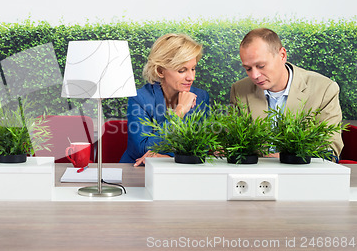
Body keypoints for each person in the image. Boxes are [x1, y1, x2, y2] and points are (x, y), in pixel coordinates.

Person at [230, 28, 343, 156]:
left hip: (303, 173)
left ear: (282, 55)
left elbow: (329, 150)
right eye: (248, 68)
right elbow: (235, 144)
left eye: (261, 66)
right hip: (256, 174)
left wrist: (282, 159)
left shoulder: (324, 89)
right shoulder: (239, 89)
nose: (255, 75)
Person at [119, 33, 210, 166]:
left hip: (180, 170)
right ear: (160, 71)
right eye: (182, 70)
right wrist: (179, 112)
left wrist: (167, 157)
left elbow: (201, 147)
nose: (191, 77)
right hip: (138, 170)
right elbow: (141, 149)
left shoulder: (201, 97)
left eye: (193, 69)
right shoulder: (139, 98)